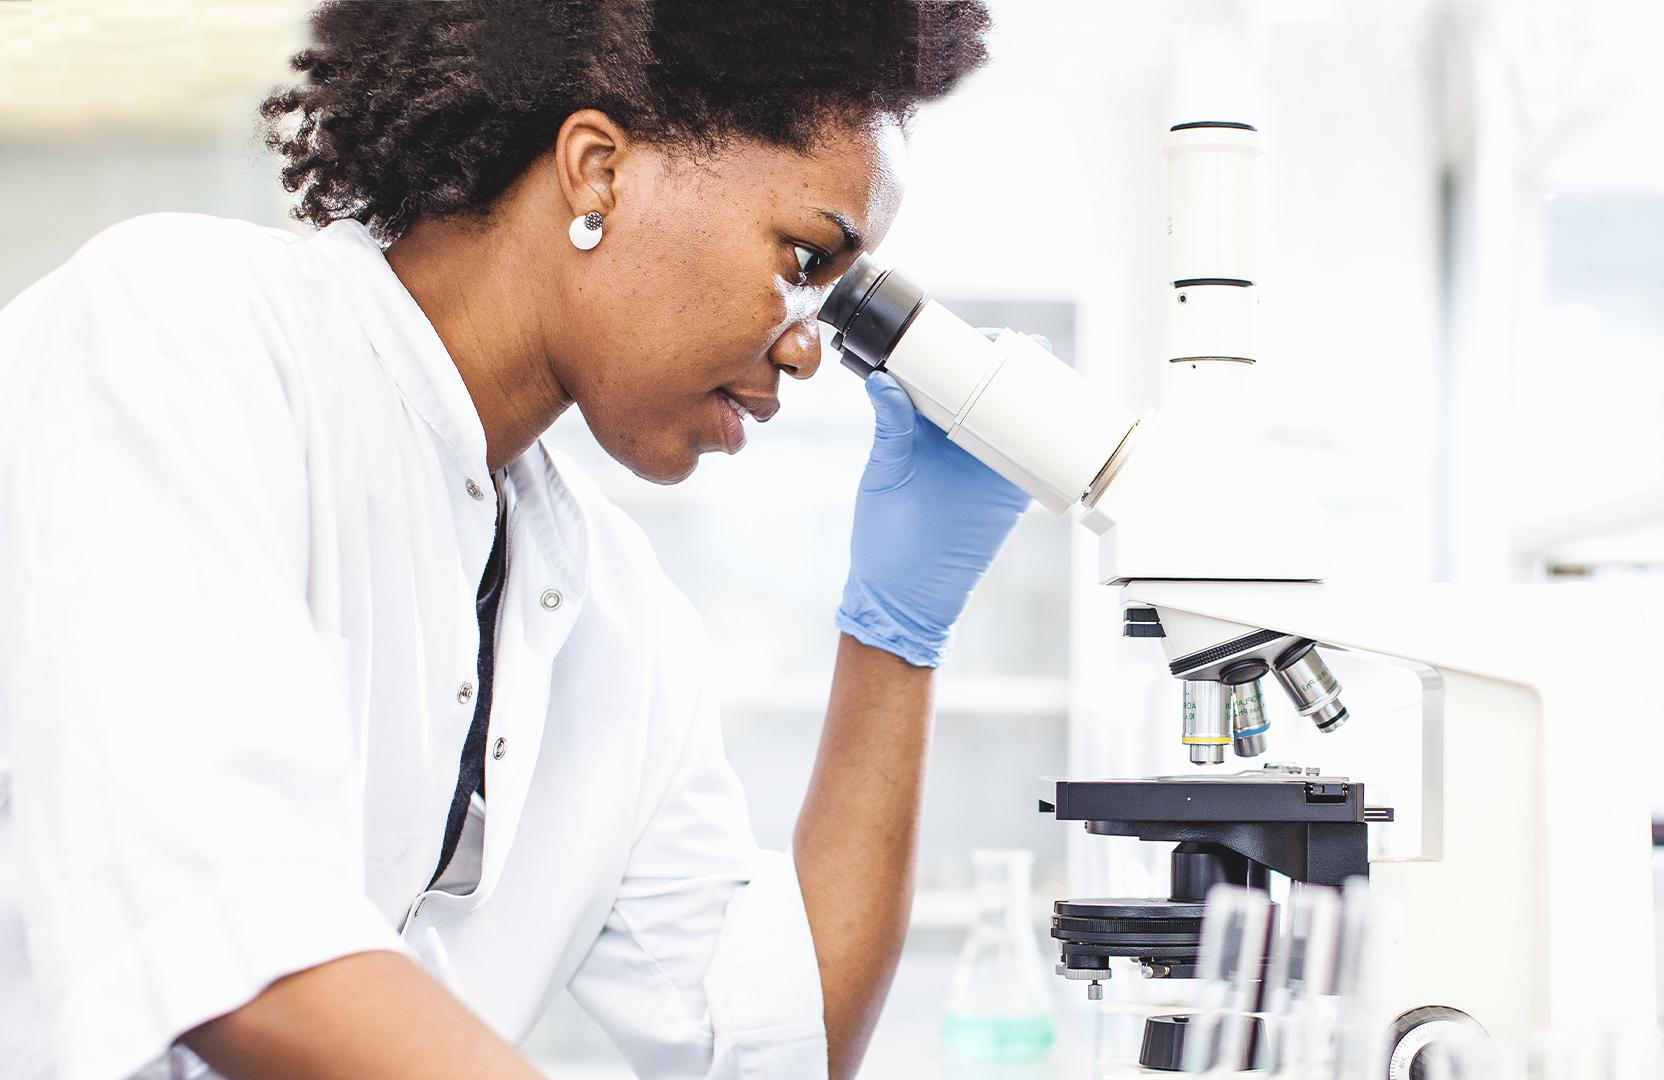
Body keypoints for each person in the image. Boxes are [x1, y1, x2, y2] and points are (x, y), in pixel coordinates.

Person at [0, 2, 1029, 1078]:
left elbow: (771, 1050)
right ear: (597, 172)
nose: (809, 345)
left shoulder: (606, 600)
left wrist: (899, 632)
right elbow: (228, 929)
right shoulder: (182, 334)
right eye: (802, 256)